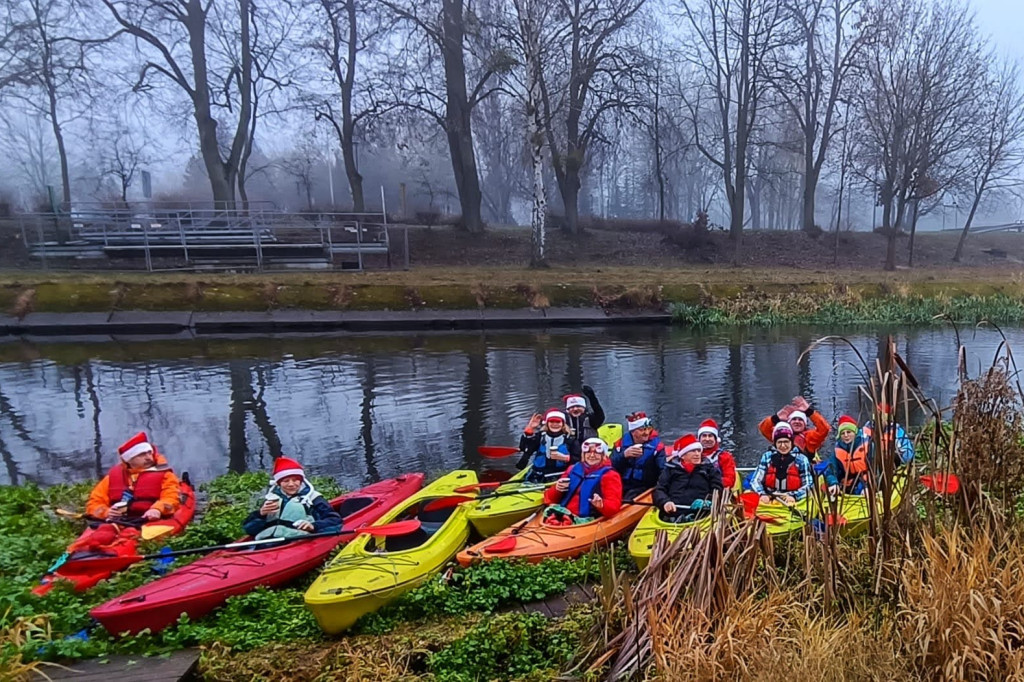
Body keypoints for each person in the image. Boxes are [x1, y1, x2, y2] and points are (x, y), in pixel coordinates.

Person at [86, 432, 181, 522]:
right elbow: (95, 502)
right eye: (142, 455)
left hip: (150, 520)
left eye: (149, 453)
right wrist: (106, 512)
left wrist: (157, 509)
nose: (149, 457)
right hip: (120, 521)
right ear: (129, 460)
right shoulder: (111, 478)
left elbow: (171, 497)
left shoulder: (165, 475)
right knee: (103, 534)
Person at [242, 457, 342, 540]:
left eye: (295, 480)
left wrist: (314, 526)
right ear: (279, 483)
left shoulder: (313, 498)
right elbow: (249, 530)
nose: (291, 484)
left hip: (299, 540)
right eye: (286, 481)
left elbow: (335, 520)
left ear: (301, 481)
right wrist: (260, 515)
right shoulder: (271, 499)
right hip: (268, 541)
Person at [542, 437, 622, 525]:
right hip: (563, 514)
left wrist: (601, 505)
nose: (592, 455)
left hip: (586, 521)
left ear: (603, 455)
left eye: (596, 452)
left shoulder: (610, 475)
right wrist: (557, 489)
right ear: (583, 454)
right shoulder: (572, 469)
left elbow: (614, 507)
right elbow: (549, 498)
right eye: (588, 452)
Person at [653, 434, 723, 521]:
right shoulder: (670, 469)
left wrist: (708, 502)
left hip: (701, 513)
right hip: (674, 513)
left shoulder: (709, 469)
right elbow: (660, 489)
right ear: (683, 456)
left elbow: (718, 488)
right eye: (693, 451)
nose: (697, 454)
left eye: (698, 451)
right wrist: (665, 502)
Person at [750, 422, 814, 504]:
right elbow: (755, 480)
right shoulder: (767, 457)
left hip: (793, 498)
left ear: (791, 442)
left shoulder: (801, 459)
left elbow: (808, 484)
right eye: (779, 442)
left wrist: (794, 495)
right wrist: (762, 494)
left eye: (786, 442)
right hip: (769, 496)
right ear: (775, 444)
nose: (783, 446)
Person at [757, 395, 831, 460]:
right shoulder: (781, 434)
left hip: (803, 471)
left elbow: (824, 429)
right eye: (794, 419)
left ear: (805, 424)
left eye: (800, 420)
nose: (797, 422)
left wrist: (809, 411)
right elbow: (763, 429)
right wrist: (775, 418)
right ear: (789, 422)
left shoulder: (810, 438)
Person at [610, 411, 666, 498]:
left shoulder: (657, 447)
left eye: (648, 429)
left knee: (631, 494)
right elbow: (610, 465)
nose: (646, 433)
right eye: (642, 430)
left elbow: (663, 470)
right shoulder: (620, 445)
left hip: (644, 486)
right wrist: (623, 455)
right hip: (621, 483)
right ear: (633, 432)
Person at [517, 409, 581, 483]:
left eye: (558, 422)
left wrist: (565, 458)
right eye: (551, 421)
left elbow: (579, 460)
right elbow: (524, 448)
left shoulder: (570, 440)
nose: (555, 424)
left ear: (563, 424)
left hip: (561, 475)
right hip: (538, 474)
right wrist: (530, 429)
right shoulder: (540, 436)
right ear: (547, 423)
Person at [824, 415, 868, 494]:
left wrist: (867, 486)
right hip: (847, 484)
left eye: (849, 432)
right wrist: (833, 482)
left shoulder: (868, 446)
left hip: (866, 482)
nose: (846, 435)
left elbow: (877, 470)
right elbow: (831, 471)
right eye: (843, 433)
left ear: (855, 432)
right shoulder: (837, 451)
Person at [696, 418, 737, 490]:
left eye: (710, 436)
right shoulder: (693, 455)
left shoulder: (724, 456)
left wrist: (710, 484)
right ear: (699, 439)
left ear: (715, 439)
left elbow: (730, 480)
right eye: (704, 436)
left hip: (717, 492)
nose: (707, 439)